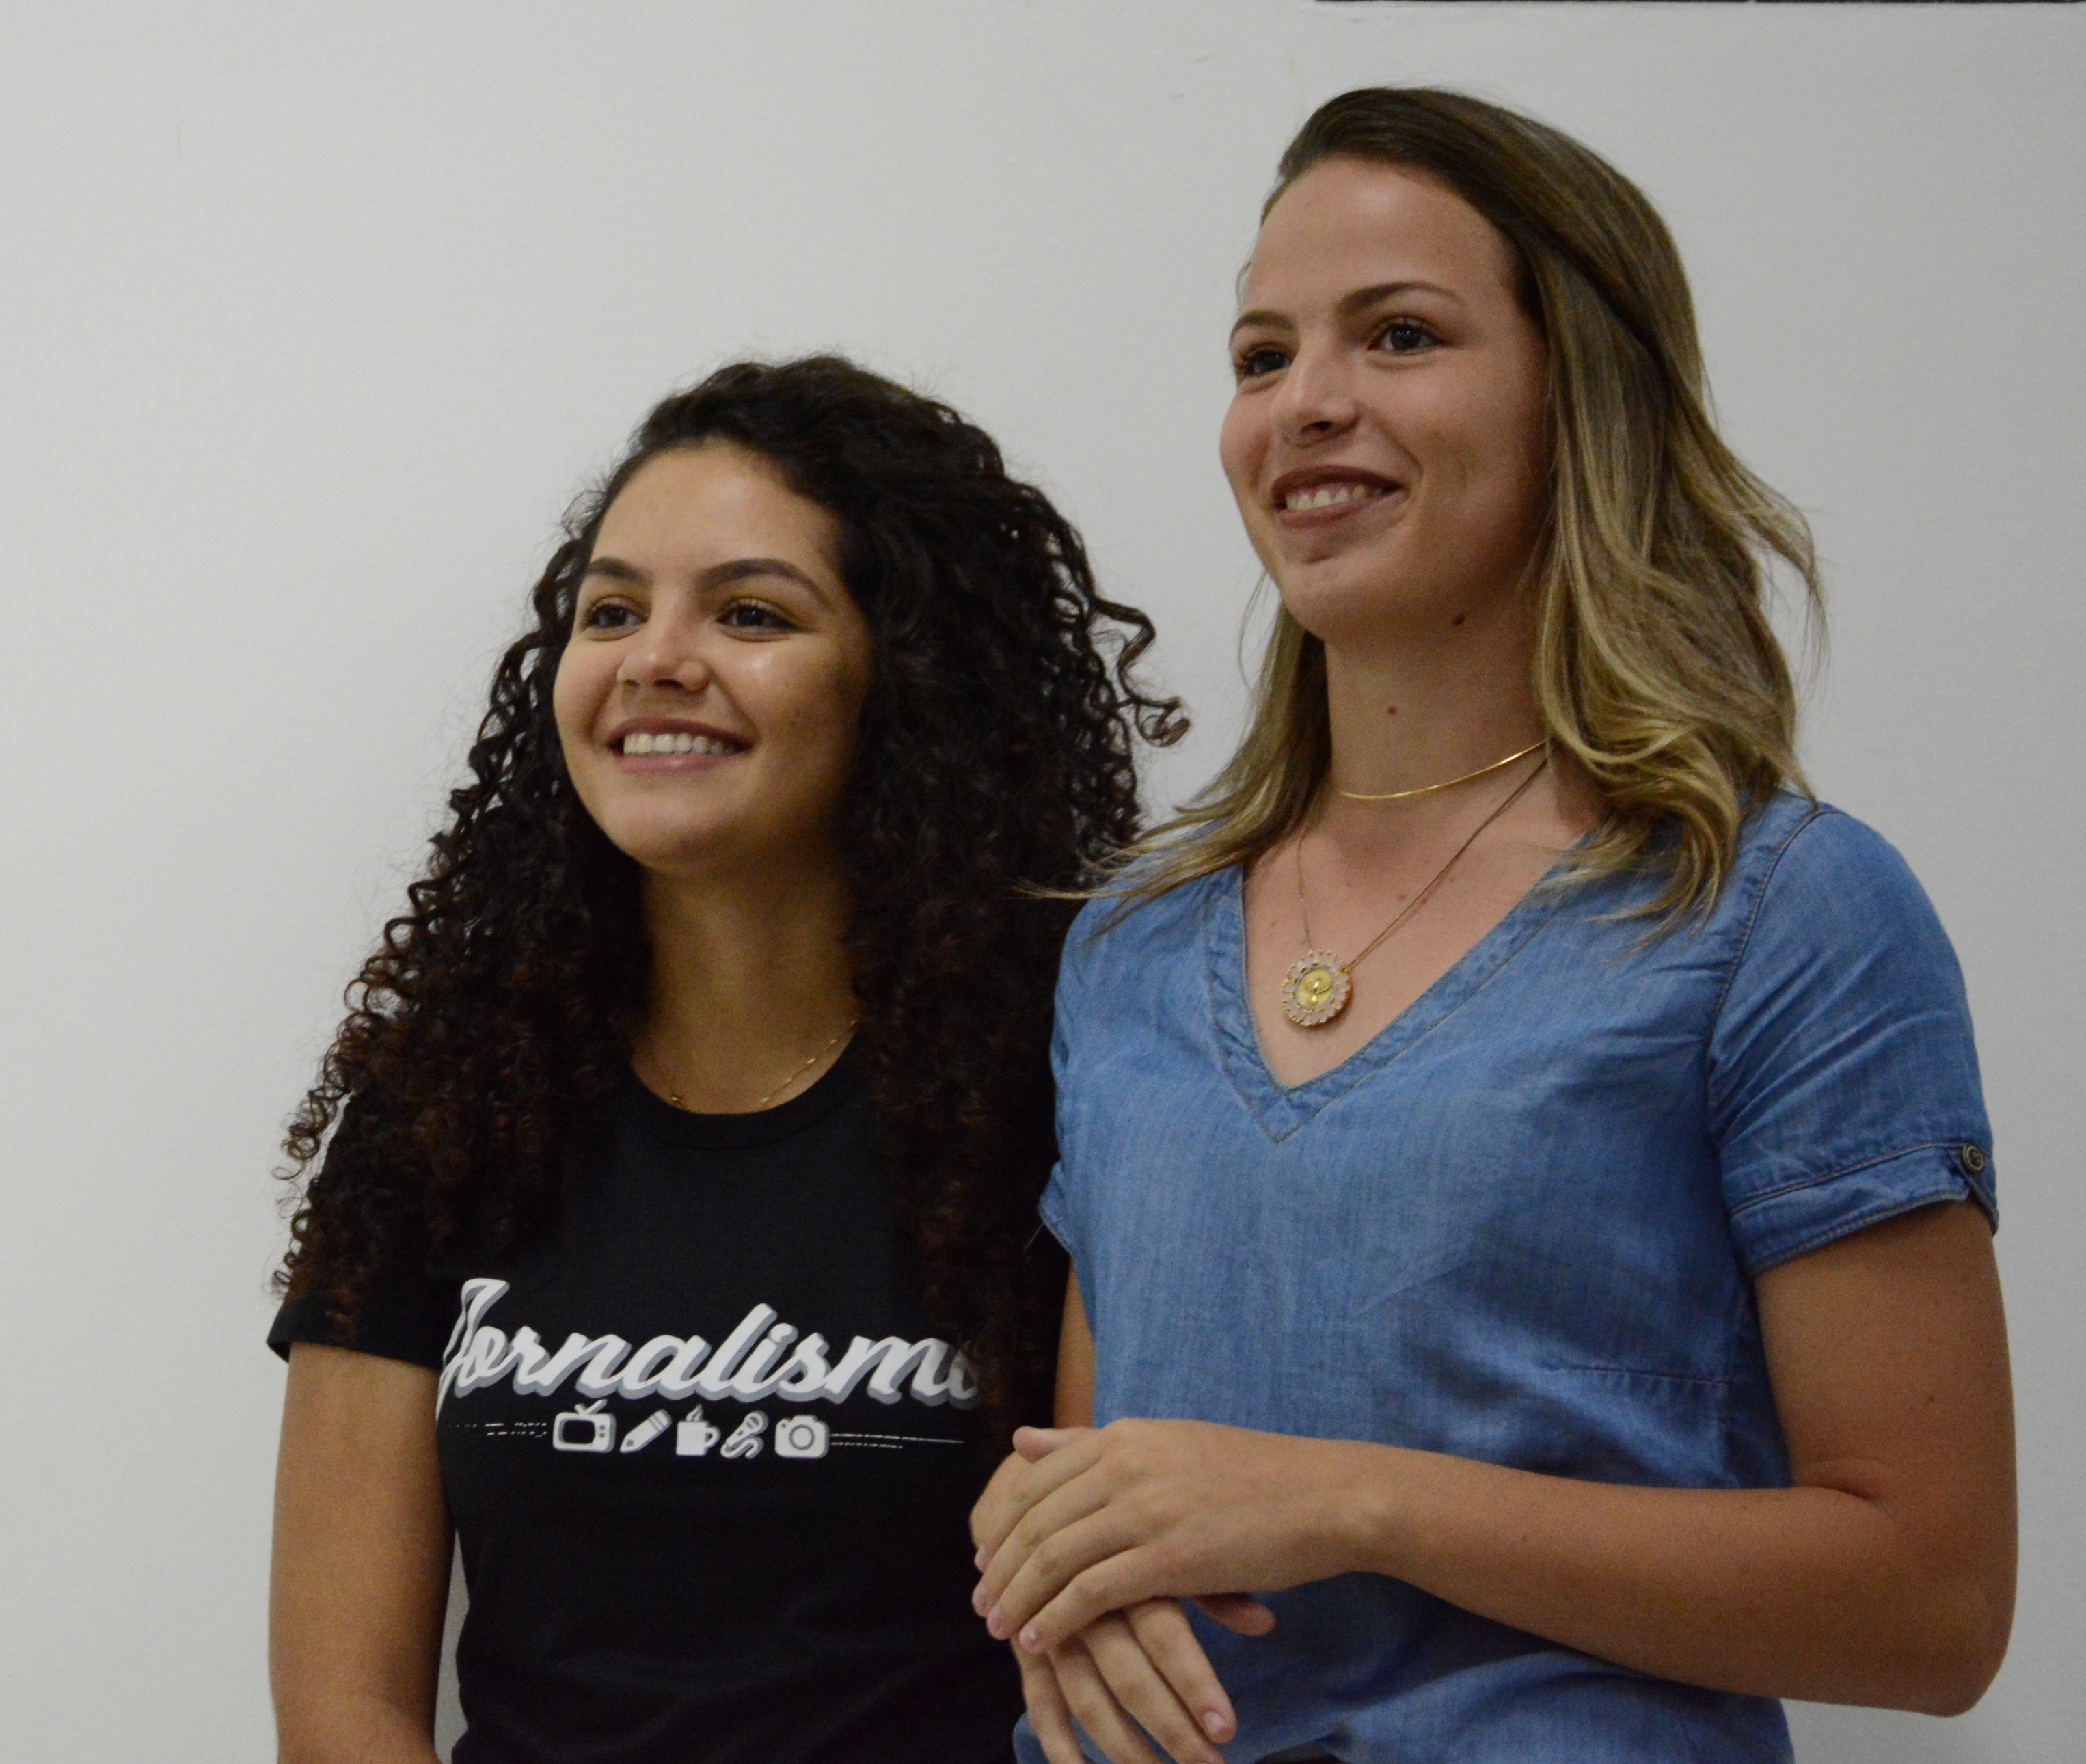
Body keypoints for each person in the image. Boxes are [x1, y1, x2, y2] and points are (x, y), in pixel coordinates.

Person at [968, 89, 2016, 1764]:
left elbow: (1930, 1606)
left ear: (1578, 399)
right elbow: (1118, 1503)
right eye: (1260, 356)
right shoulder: (1133, 943)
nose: (1305, 403)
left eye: (1398, 336)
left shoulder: (1779, 910)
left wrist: (1357, 1502)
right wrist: (1048, 1551)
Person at [267, 355, 1184, 1763]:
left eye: (750, 612)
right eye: (612, 610)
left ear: (907, 680)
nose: (655, 658)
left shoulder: (1076, 1099)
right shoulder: (437, 1110)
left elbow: (1121, 1659)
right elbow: (347, 1710)